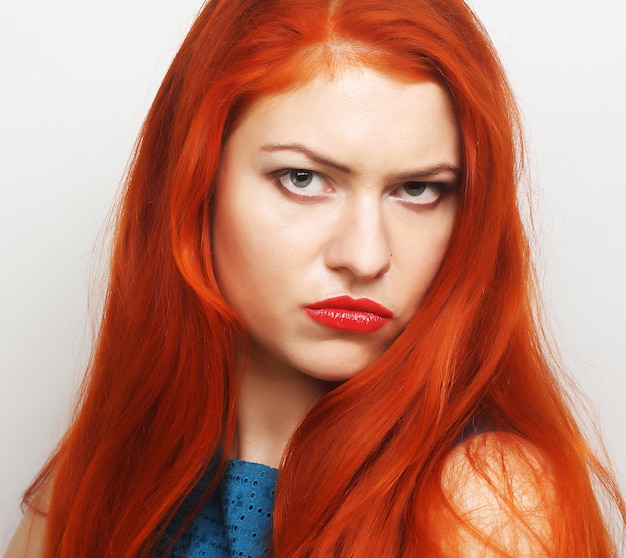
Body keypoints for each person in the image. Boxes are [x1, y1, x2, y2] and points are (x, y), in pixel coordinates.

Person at [6, 0, 626, 556]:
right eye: (303, 179)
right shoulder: (92, 484)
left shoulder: (484, 499)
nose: (364, 256)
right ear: (198, 185)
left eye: (418, 189)